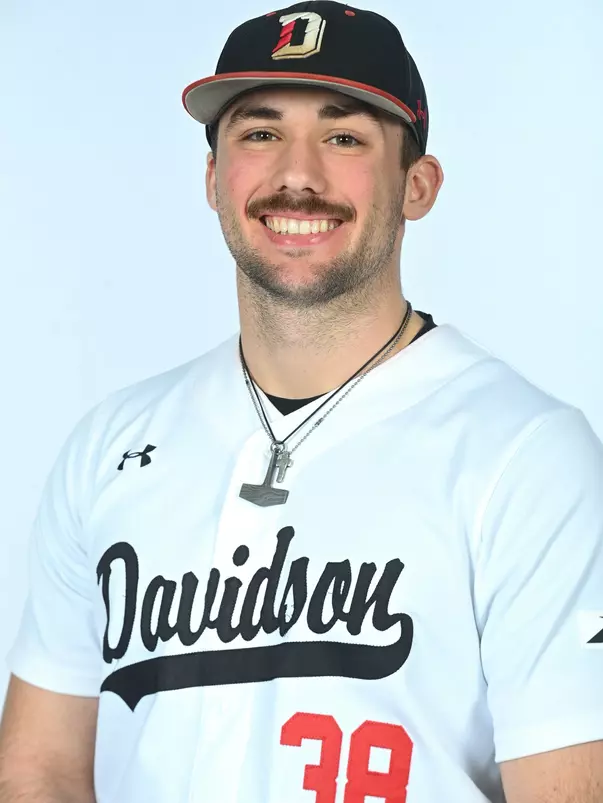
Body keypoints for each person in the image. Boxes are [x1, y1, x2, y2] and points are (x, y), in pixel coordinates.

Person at [1, 1, 603, 801]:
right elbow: (37, 765)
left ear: (417, 184)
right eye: (259, 132)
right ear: (213, 178)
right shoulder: (111, 442)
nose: (297, 173)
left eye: (344, 136)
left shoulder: (527, 455)